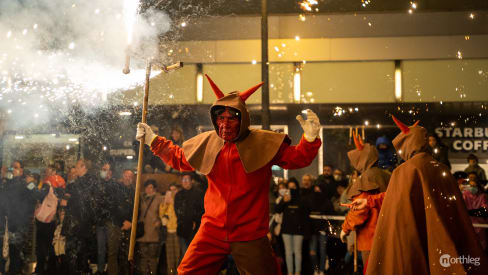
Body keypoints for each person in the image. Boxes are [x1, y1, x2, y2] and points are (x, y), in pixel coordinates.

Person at [136, 74, 321, 274]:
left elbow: (296, 158)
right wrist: (153, 140)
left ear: (242, 117)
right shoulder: (208, 141)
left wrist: (309, 140)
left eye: (231, 117)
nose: (225, 123)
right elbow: (180, 158)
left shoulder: (261, 142)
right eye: (220, 118)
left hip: (250, 233)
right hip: (212, 230)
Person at [351, 117, 488, 274]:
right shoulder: (442, 169)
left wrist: (367, 202)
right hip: (442, 237)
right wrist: (369, 202)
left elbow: (395, 202)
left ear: (409, 144)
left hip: (413, 237)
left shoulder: (403, 171)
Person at [340, 132, 390, 273]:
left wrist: (345, 228)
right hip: (388, 235)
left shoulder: (366, 179)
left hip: (370, 237)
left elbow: (359, 211)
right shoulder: (387, 175)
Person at [2, 161, 45, 275]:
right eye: (12, 167)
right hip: (10, 222)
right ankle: (16, 269)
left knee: (16, 250)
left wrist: (31, 183)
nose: (13, 170)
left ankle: (14, 271)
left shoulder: (26, 183)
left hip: (21, 223)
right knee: (13, 251)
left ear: (21, 170)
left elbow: (39, 195)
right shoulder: (8, 183)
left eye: (16, 168)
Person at [62, 159, 98, 275]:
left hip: (77, 226)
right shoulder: (86, 182)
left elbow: (80, 203)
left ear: (84, 167)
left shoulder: (83, 183)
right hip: (82, 226)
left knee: (74, 255)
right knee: (80, 255)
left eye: (77, 166)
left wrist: (67, 202)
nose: (75, 169)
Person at [275, 180, 309, 275]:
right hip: (286, 229)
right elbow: (277, 210)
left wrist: (306, 232)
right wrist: (283, 201)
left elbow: (305, 217)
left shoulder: (302, 199)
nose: (291, 189)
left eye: (293, 187)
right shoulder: (285, 199)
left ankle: (297, 272)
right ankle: (290, 272)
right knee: (288, 252)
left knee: (297, 252)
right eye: (289, 187)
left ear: (297, 187)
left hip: (299, 230)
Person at [136, 179, 164, 275]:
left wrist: (160, 221)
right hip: (142, 233)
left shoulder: (160, 198)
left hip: (154, 233)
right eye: (147, 187)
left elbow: (164, 212)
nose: (149, 189)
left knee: (152, 258)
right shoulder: (141, 197)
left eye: (151, 187)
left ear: (155, 188)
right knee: (143, 258)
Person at [173, 174, 204, 258]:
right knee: (184, 254)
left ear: (192, 181)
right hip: (182, 227)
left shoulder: (199, 194)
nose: (185, 182)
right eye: (183, 180)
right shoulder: (178, 195)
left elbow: (202, 210)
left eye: (187, 179)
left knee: (194, 253)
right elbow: (177, 211)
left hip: (195, 228)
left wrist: (195, 221)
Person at [461, 172, 488, 252]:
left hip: (480, 223)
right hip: (470, 222)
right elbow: (463, 206)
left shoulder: (482, 195)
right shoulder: (465, 194)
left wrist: (472, 212)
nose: (473, 188)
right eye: (471, 186)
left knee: (482, 243)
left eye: (474, 186)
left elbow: (485, 208)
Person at [160, 183, 180, 275]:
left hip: (178, 231)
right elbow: (161, 215)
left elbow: (180, 214)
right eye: (170, 190)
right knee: (170, 257)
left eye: (174, 190)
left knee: (178, 256)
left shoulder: (180, 200)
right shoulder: (167, 201)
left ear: (177, 190)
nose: (172, 192)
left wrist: (174, 203)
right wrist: (165, 203)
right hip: (168, 231)